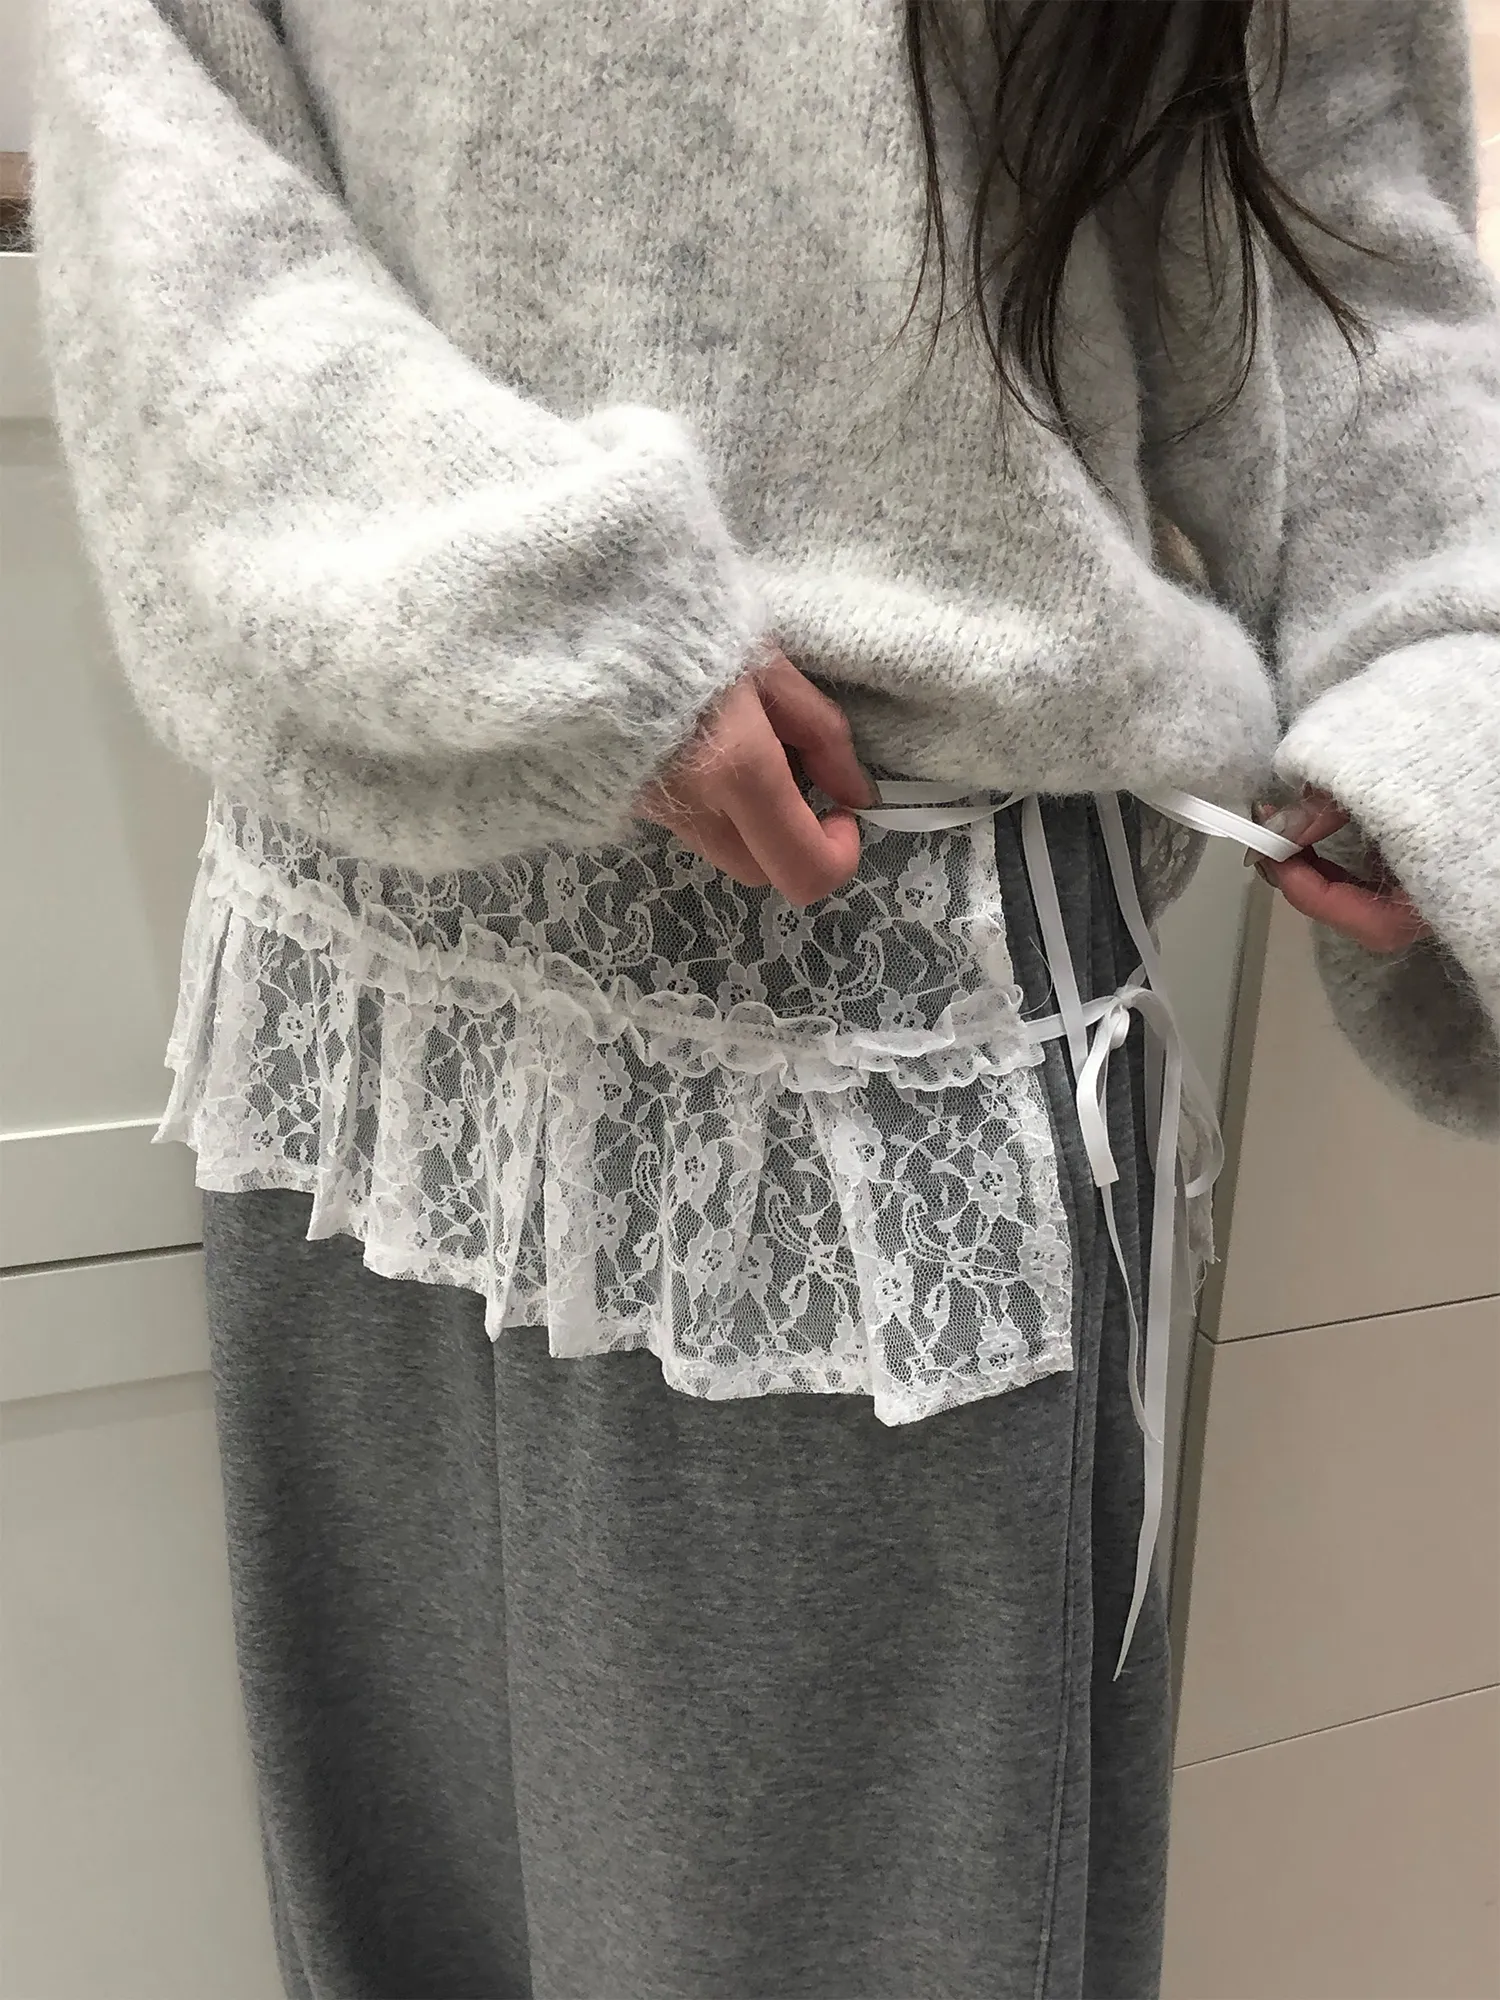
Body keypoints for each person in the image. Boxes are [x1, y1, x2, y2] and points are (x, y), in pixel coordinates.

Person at [29, 1, 1500, 1994]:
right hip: (362, 976)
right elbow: (156, 112)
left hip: (859, 1041)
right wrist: (541, 612)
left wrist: (1429, 665)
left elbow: (1335, 237)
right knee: (396, 1917)